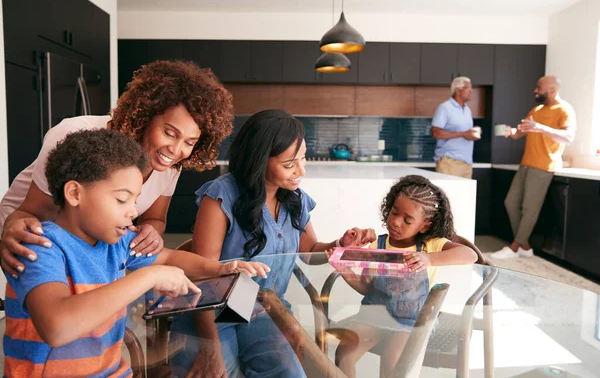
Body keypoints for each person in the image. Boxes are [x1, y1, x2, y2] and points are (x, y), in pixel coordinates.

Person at [2, 129, 269, 377]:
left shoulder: (116, 241)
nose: (133, 211)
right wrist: (149, 277)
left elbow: (169, 257)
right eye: (121, 199)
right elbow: (57, 327)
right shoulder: (39, 246)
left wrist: (221, 269)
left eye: (135, 199)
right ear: (74, 193)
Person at [170, 109, 377, 377]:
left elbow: (310, 252)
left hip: (265, 310)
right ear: (259, 161)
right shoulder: (221, 195)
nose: (300, 171)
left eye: (303, 159)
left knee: (292, 374)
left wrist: (341, 244)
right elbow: (202, 277)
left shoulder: (295, 199)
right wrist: (211, 348)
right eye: (290, 164)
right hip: (215, 314)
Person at [0, 60, 234, 279]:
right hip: (35, 237)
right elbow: (31, 212)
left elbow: (154, 219)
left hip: (93, 246)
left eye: (190, 142)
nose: (176, 149)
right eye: (170, 133)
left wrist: (150, 233)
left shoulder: (168, 164)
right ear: (146, 116)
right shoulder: (74, 135)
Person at [331, 175, 477, 378]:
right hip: (374, 314)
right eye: (394, 213)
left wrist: (430, 259)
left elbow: (470, 254)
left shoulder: (430, 245)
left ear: (424, 226)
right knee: (344, 353)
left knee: (394, 362)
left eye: (407, 220)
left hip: (412, 321)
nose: (396, 222)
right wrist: (343, 268)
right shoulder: (377, 245)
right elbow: (366, 287)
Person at [491, 76, 576, 259]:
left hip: (543, 166)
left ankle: (514, 247)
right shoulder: (536, 110)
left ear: (552, 90)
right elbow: (519, 133)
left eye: (539, 87)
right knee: (511, 202)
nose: (535, 90)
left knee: (530, 208)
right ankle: (525, 245)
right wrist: (511, 132)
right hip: (526, 164)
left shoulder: (564, 110)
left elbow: (568, 137)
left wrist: (541, 127)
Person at [431, 76, 481, 179]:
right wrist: (462, 134)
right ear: (458, 91)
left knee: (466, 195)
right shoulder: (445, 108)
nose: (471, 91)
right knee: (448, 195)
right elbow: (436, 133)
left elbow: (467, 133)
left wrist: (473, 134)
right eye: (468, 88)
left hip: (467, 163)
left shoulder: (467, 110)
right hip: (450, 162)